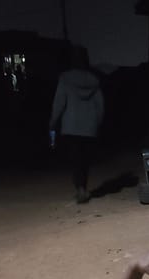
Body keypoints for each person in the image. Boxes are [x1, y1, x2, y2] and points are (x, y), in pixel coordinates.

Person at [49, 45, 104, 204]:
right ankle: (83, 188)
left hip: (71, 126)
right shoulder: (95, 80)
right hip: (89, 126)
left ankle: (80, 188)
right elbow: (100, 105)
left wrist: (53, 122)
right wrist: (97, 123)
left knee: (75, 159)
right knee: (85, 159)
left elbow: (59, 103)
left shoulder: (65, 78)